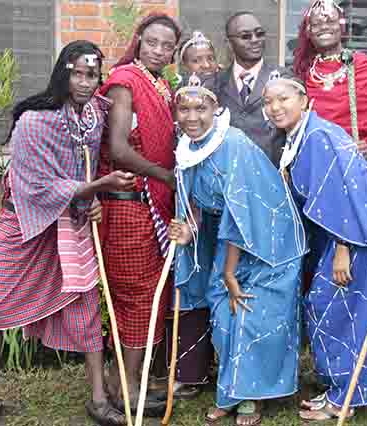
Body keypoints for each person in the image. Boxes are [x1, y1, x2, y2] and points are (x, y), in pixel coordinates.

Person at [0, 41, 136, 426]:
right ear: (63, 72)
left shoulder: (96, 115)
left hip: (71, 224)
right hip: (24, 227)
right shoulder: (35, 121)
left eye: (94, 75)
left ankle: (97, 398)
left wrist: (93, 196)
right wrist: (95, 188)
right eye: (79, 73)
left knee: (87, 308)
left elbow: (102, 156)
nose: (87, 83)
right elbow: (34, 185)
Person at [262, 69, 367, 421]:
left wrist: (341, 248)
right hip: (362, 234)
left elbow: (339, 194)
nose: (275, 107)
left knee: (333, 307)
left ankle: (344, 398)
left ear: (304, 100)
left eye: (283, 98)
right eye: (268, 102)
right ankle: (349, 390)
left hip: (363, 237)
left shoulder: (318, 136)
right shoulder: (301, 136)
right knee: (356, 315)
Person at [168, 74, 307, 426]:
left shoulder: (233, 144)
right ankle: (231, 392)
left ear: (217, 110)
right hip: (232, 241)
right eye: (184, 108)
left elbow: (240, 210)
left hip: (268, 243)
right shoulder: (188, 147)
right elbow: (198, 202)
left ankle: (252, 397)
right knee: (222, 312)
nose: (193, 116)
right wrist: (189, 230)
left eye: (201, 108)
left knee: (251, 315)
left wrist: (229, 272)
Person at [97, 12, 179, 415]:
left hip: (154, 204)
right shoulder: (124, 81)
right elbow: (118, 148)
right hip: (129, 204)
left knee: (152, 294)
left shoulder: (161, 85)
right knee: (134, 294)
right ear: (139, 41)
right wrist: (165, 175)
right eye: (153, 43)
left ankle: (131, 380)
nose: (160, 51)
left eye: (168, 46)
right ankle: (126, 386)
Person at [164, 29, 220, 401]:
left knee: (225, 285)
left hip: (223, 219)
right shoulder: (181, 124)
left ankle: (227, 366)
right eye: (194, 59)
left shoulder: (222, 124)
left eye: (208, 58)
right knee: (192, 286)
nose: (203, 65)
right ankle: (190, 370)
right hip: (190, 218)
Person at [292, 0, 367, 162]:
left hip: (355, 162)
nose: (324, 27)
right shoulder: (303, 72)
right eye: (316, 24)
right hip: (314, 160)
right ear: (308, 31)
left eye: (330, 21)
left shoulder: (364, 68)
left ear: (341, 27)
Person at [215, 11, 283, 166]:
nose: (255, 40)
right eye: (245, 36)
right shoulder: (214, 83)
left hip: (271, 177)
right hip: (225, 177)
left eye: (259, 34)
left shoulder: (285, 79)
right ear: (228, 43)